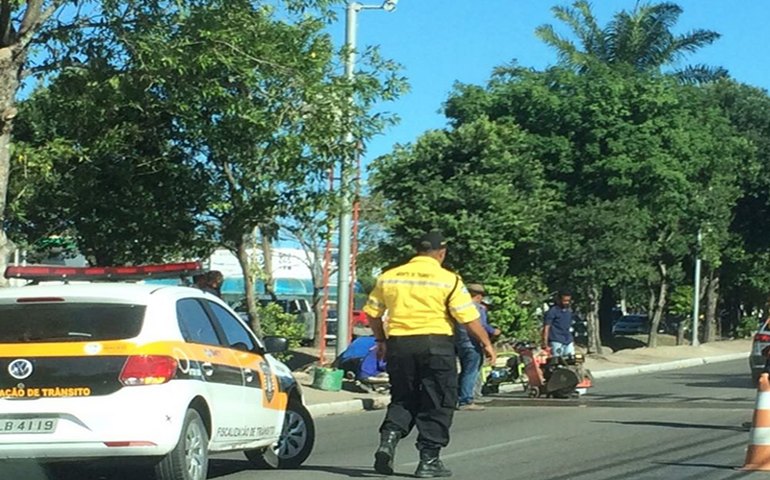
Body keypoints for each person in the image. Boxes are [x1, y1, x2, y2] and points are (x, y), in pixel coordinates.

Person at [364, 230, 496, 478]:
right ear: (441, 253)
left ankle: (389, 439)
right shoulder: (449, 279)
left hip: (399, 345)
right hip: (436, 344)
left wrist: (381, 340)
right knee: (439, 400)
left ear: (417, 251)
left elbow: (372, 313)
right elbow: (468, 317)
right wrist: (486, 343)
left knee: (403, 397)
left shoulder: (388, 277)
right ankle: (428, 460)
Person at [455, 283, 500, 411]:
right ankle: (466, 399)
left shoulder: (457, 307)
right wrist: (492, 335)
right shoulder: (477, 309)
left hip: (459, 342)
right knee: (472, 370)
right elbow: (481, 326)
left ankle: (465, 395)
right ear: (479, 296)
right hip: (473, 342)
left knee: (466, 370)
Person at [542, 291, 574, 357]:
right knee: (557, 361)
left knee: (572, 360)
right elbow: (546, 327)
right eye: (564, 300)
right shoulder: (553, 311)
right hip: (556, 340)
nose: (567, 303)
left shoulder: (569, 311)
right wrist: (545, 342)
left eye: (568, 300)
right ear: (559, 300)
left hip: (568, 340)